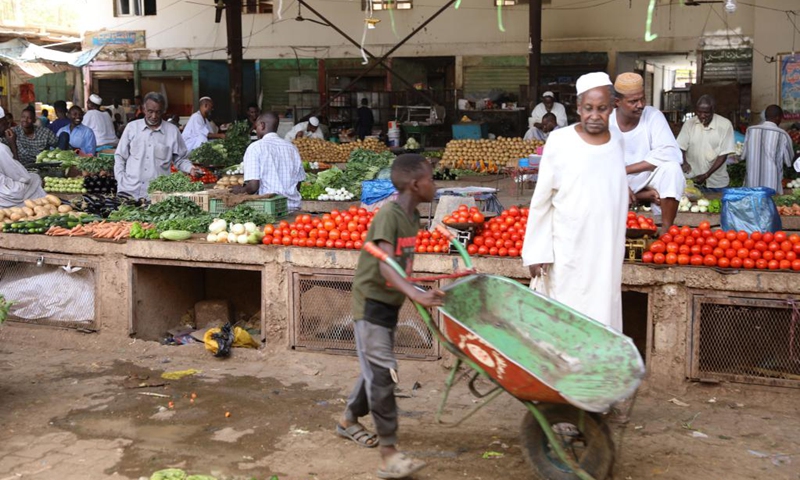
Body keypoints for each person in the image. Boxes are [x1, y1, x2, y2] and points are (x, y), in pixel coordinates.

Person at [337, 153, 443, 479]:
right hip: (370, 303)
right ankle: (389, 453)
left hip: (389, 302)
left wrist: (420, 290)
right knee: (383, 373)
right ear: (415, 184)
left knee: (374, 368)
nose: (435, 183)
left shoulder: (412, 218)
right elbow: (385, 262)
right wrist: (414, 294)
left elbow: (400, 265)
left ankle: (346, 420)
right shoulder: (389, 214)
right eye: (430, 177)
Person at [522, 72, 628, 331]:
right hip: (568, 247)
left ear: (612, 109)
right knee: (566, 312)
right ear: (578, 109)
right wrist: (536, 251)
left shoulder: (618, 142)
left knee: (604, 308)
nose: (595, 115)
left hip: (607, 248)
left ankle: (597, 366)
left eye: (602, 109)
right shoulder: (560, 141)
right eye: (588, 108)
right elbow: (541, 201)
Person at [610, 72, 684, 232]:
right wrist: (619, 177)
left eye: (642, 98)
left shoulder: (652, 116)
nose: (641, 104)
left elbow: (671, 152)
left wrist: (625, 170)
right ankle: (643, 195)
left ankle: (666, 230)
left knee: (672, 169)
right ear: (617, 102)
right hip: (611, 179)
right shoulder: (606, 121)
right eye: (633, 101)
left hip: (644, 177)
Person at [114, 92, 202, 199]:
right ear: (144, 109)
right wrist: (120, 178)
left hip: (156, 194)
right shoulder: (132, 128)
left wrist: (190, 169)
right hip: (129, 190)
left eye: (158, 112)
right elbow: (120, 156)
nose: (154, 116)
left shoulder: (172, 131)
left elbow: (180, 159)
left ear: (163, 111)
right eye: (150, 111)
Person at [236, 112, 306, 210]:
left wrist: (238, 190)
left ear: (262, 125)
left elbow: (253, 187)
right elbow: (298, 183)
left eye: (256, 127)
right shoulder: (292, 148)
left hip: (269, 209)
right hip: (293, 207)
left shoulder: (256, 147)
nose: (256, 130)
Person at [677, 95, 736, 192]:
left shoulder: (725, 125)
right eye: (699, 112)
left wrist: (706, 175)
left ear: (713, 110)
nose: (702, 116)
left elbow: (723, 155)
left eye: (706, 113)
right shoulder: (689, 124)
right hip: (692, 180)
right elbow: (680, 146)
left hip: (716, 183)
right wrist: (684, 162)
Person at [742, 105, 799, 194]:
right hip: (772, 187)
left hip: (751, 186)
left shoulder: (750, 130)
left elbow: (743, 155)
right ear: (778, 117)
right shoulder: (782, 134)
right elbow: (789, 162)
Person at [0, 107, 46, 207]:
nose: (8, 125)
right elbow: (22, 176)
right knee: (35, 178)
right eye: (5, 123)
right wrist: (13, 144)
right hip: (3, 194)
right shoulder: (2, 149)